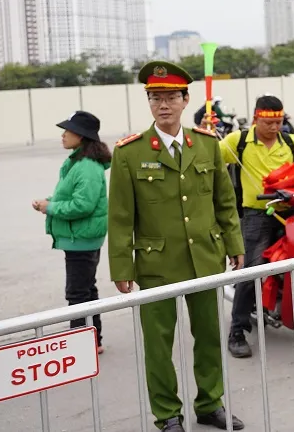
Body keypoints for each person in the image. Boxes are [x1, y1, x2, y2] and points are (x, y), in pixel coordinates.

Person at [108, 61, 245, 432]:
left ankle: (210, 404)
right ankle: (167, 414)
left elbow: (224, 201)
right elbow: (120, 216)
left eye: (170, 97)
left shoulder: (207, 144)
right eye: (155, 98)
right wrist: (121, 266)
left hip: (205, 258)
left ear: (186, 100)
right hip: (156, 265)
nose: (163, 105)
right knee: (158, 345)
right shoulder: (129, 153)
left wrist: (234, 243)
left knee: (210, 337)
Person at [218, 95, 294, 359]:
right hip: (258, 214)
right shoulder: (238, 141)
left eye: (279, 121)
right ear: (256, 118)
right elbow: (209, 157)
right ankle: (237, 331)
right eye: (269, 122)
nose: (275, 127)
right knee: (252, 270)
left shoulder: (289, 142)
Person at [33, 111, 110, 354]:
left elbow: (82, 205)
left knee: (77, 294)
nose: (63, 135)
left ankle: (81, 348)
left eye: (68, 131)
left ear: (82, 136)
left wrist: (50, 208)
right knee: (87, 290)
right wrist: (49, 202)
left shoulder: (86, 167)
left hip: (82, 239)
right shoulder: (78, 162)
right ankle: (93, 340)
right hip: (82, 238)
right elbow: (71, 196)